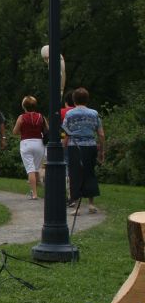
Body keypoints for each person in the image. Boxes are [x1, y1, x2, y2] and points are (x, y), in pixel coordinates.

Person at [61, 86, 105, 214]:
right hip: (91, 146)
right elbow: (101, 134)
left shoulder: (70, 114)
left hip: (75, 147)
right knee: (90, 173)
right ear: (87, 99)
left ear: (74, 100)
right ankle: (91, 204)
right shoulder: (94, 113)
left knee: (75, 175)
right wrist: (102, 151)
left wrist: (63, 147)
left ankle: (77, 207)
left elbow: (66, 133)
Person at [12, 96, 47, 199]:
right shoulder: (41, 117)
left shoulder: (21, 117)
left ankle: (34, 194)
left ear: (24, 106)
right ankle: (41, 190)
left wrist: (23, 131)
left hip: (26, 143)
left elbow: (15, 131)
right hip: (39, 143)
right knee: (36, 169)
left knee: (30, 170)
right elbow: (47, 129)